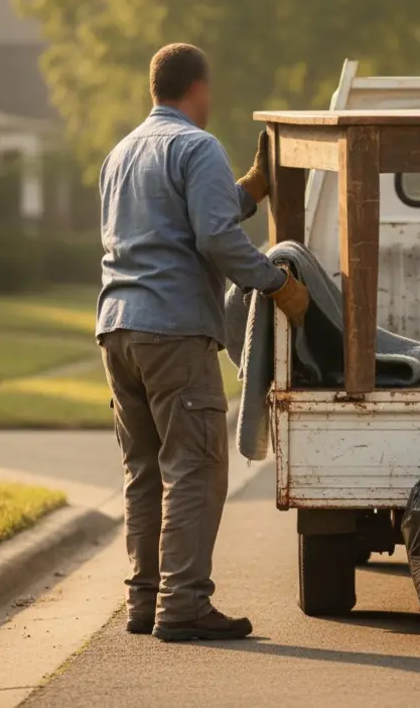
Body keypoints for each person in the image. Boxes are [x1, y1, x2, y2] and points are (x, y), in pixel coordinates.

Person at [96, 43, 310, 641]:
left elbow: (181, 222)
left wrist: (252, 190)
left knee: (143, 468)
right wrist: (276, 282)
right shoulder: (196, 145)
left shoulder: (121, 153)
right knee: (195, 468)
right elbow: (214, 238)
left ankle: (145, 600)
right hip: (173, 331)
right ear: (199, 88)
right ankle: (184, 603)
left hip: (117, 328)